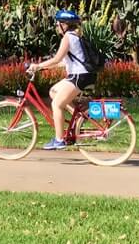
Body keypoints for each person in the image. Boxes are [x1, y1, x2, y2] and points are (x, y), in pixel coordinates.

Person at [31, 9, 97, 150]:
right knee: (54, 92)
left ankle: (59, 140)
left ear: (64, 24)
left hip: (79, 76)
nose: (56, 27)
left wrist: (37, 66)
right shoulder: (75, 37)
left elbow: (57, 58)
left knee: (56, 105)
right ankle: (77, 118)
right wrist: (43, 68)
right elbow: (63, 63)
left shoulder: (67, 38)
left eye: (58, 24)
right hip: (82, 75)